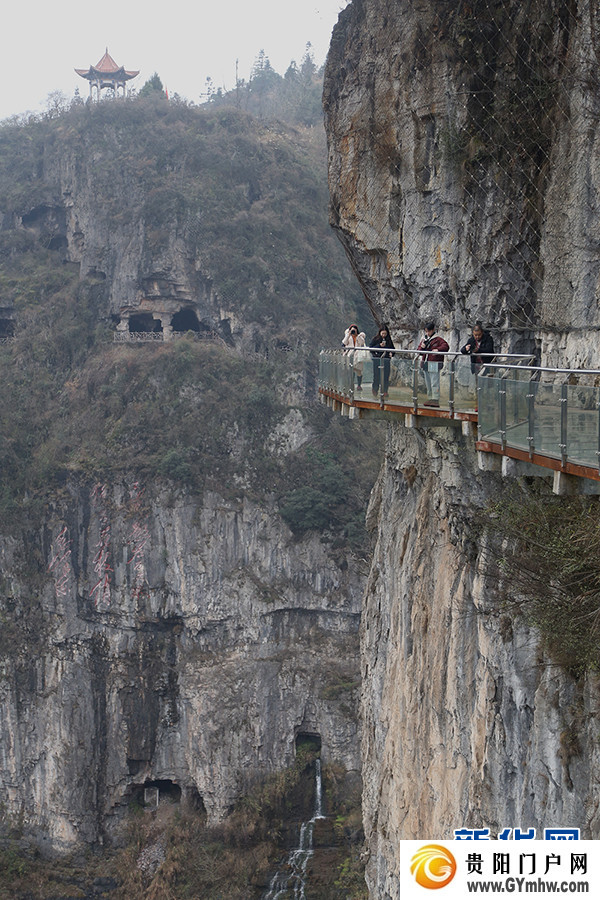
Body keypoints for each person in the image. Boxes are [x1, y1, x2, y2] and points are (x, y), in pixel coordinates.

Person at [417, 321, 449, 407]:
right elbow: (419, 351)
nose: (427, 333)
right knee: (428, 382)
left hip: (434, 363)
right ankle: (430, 398)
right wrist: (422, 347)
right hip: (425, 363)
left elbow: (446, 346)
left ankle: (435, 399)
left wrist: (437, 350)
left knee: (434, 382)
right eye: (426, 331)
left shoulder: (438, 339)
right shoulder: (424, 339)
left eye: (429, 331)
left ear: (433, 330)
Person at [370, 324, 395, 397]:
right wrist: (379, 346)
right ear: (380, 332)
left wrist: (391, 354)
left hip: (386, 359)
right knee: (376, 376)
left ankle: (385, 391)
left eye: (385, 333)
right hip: (377, 359)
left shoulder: (389, 340)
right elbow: (370, 348)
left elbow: (393, 349)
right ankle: (375, 389)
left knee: (386, 376)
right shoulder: (376, 339)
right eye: (382, 333)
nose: (384, 335)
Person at [342, 323, 367, 391]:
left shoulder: (359, 336)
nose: (353, 331)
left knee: (359, 371)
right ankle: (351, 384)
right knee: (351, 370)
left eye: (354, 330)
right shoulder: (348, 336)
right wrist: (348, 334)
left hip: (358, 355)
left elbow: (362, 342)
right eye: (352, 330)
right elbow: (344, 343)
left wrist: (357, 335)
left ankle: (359, 385)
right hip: (350, 355)